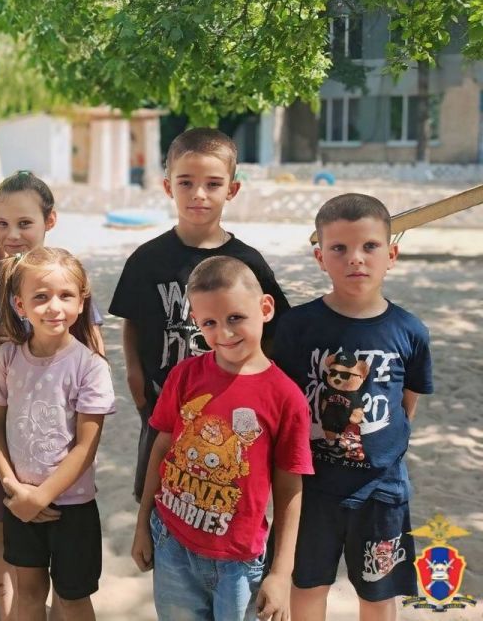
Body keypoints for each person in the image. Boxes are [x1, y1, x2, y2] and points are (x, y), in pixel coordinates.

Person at [273, 193, 433, 621]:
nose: (355, 258)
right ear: (320, 258)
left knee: (379, 594)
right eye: (339, 248)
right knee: (307, 585)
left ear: (391, 255)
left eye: (370, 246)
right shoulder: (297, 326)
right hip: (312, 489)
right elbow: (285, 402)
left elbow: (407, 404)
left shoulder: (410, 331)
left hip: (382, 491)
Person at [108, 127, 290, 504]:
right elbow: (133, 320)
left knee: (217, 494)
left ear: (232, 189)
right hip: (163, 402)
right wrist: (134, 374)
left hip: (227, 406)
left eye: (213, 184)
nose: (199, 194)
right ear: (168, 186)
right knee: (158, 493)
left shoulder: (248, 262)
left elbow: (273, 332)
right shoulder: (147, 260)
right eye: (186, 182)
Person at [131, 256, 313, 620]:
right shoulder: (185, 376)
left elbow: (289, 486)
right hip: (170, 542)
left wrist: (281, 573)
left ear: (265, 308)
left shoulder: (285, 397)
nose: (224, 334)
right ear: (195, 320)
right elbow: (162, 446)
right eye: (210, 323)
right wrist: (142, 524)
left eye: (235, 318)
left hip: (238, 564)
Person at [0, 171, 104, 619]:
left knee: (69, 586)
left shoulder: (67, 279)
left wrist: (41, 494)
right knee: (9, 541)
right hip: (12, 461)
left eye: (24, 223)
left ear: (49, 221)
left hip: (65, 475)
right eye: (2, 224)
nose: (12, 234)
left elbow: (93, 357)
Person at [0, 247, 115, 621]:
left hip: (71, 507)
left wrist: (41, 497)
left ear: (81, 302)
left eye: (65, 295)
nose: (54, 307)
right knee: (28, 593)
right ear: (20, 305)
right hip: (19, 501)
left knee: (72, 600)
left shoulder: (90, 367)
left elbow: (85, 447)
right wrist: (13, 488)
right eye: (40, 297)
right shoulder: (7, 358)